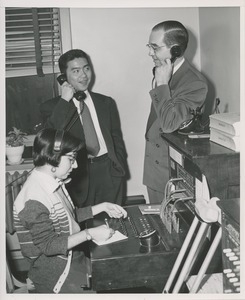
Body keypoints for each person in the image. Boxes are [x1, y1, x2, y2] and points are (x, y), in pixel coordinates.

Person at [13, 128, 127, 293]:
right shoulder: (33, 199)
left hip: (70, 259)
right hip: (55, 275)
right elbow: (49, 246)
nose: (76, 164)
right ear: (53, 156)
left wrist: (102, 207)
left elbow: (68, 216)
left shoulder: (51, 182)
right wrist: (90, 234)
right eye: (71, 159)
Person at [40, 49, 128, 208]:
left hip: (109, 172)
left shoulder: (106, 103)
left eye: (86, 68)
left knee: (113, 224)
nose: (83, 75)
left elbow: (116, 137)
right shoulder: (53, 107)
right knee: (82, 227)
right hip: (76, 175)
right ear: (63, 77)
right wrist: (65, 101)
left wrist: (118, 164)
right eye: (75, 71)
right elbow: (50, 139)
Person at [143, 20, 208, 204]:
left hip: (172, 174)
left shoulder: (195, 83)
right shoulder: (163, 71)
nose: (149, 52)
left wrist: (163, 84)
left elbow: (170, 124)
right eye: (149, 46)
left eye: (155, 47)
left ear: (176, 50)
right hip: (154, 166)